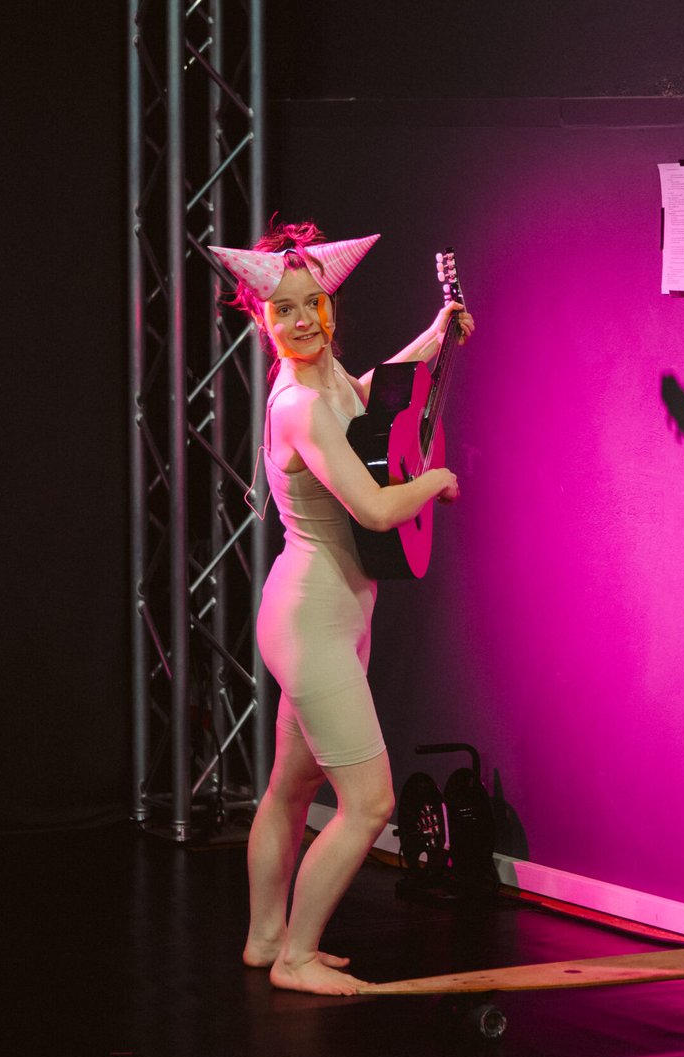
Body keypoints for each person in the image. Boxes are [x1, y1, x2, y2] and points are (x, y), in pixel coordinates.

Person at [211, 221, 473, 995]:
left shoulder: (326, 383)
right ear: (262, 319)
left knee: (292, 789)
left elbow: (373, 394)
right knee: (368, 803)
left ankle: (265, 938)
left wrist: (435, 335)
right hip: (312, 622)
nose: (301, 321)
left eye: (313, 304)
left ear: (329, 307)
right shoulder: (298, 405)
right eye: (284, 310)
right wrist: (436, 479)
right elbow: (377, 510)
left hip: (325, 614)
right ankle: (296, 958)